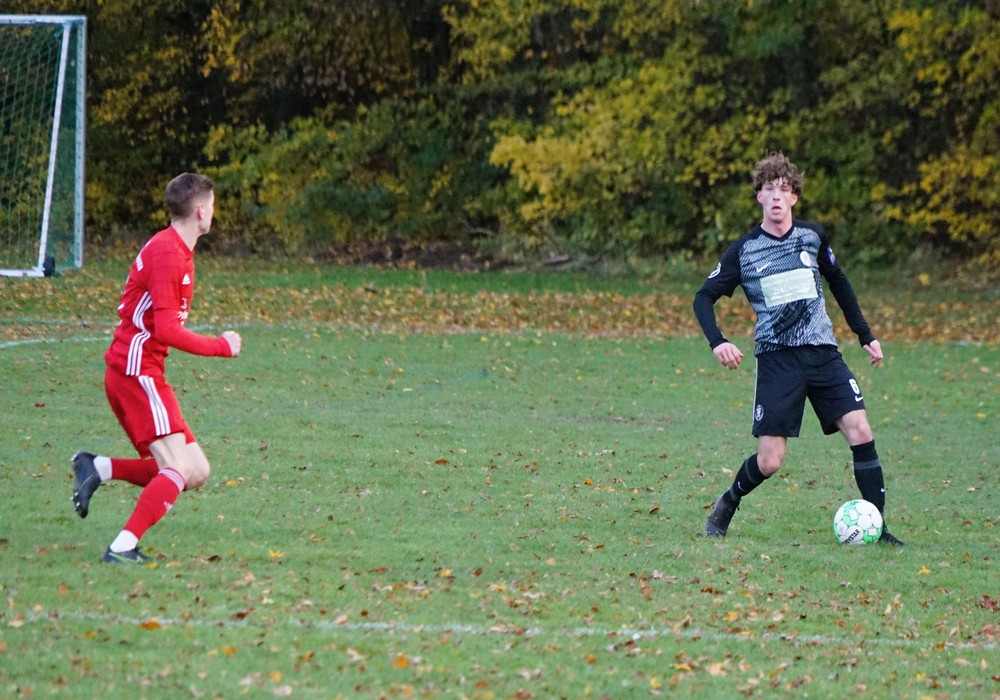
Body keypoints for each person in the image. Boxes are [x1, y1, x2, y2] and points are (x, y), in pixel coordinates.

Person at [693, 151, 903, 546]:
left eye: (784, 189)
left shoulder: (812, 236)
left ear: (794, 197)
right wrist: (718, 341)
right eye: (769, 188)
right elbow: (703, 297)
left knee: (861, 430)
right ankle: (728, 501)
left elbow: (839, 282)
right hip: (777, 360)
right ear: (759, 196)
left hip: (823, 354)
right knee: (770, 460)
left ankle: (878, 529)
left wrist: (865, 334)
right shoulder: (744, 250)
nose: (776, 195)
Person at [71, 173, 242, 563]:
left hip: (143, 371)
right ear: (201, 211)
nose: (213, 212)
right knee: (177, 467)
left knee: (196, 470)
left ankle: (97, 468)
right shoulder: (168, 254)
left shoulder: (178, 248)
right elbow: (166, 330)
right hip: (135, 373)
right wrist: (221, 347)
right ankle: (122, 547)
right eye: (213, 205)